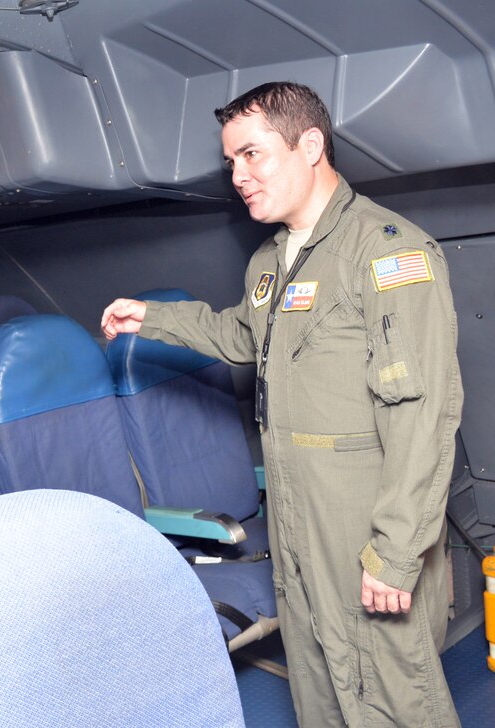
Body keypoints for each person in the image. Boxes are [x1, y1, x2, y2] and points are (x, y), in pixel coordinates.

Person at [101, 82, 462, 726]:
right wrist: (151, 318)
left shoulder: (388, 253)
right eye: (230, 163)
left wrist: (396, 550)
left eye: (251, 155)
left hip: (365, 524)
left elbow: (423, 415)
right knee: (319, 689)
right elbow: (241, 333)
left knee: (391, 698)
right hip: (297, 517)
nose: (238, 177)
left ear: (311, 145)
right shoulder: (272, 261)